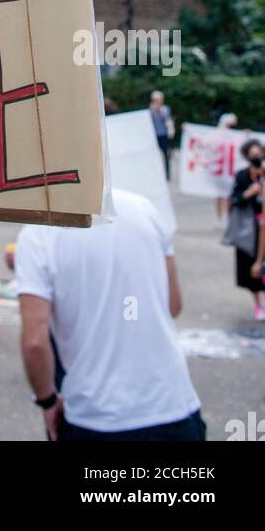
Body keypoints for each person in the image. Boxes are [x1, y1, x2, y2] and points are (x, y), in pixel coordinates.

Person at [16, 188, 204, 442]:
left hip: (94, 416)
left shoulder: (38, 232)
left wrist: (47, 401)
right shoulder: (144, 208)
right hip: (172, 405)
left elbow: (34, 343)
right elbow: (174, 304)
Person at [230, 139, 264, 320]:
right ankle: (257, 303)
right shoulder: (242, 176)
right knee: (251, 267)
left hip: (262, 228)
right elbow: (234, 199)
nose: (256, 158)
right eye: (253, 155)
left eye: (259, 154)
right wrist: (248, 193)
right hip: (248, 230)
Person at [148, 90, 175, 179]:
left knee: (166, 154)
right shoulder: (150, 109)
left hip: (163, 134)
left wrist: (158, 110)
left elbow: (167, 118)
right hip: (154, 135)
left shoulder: (165, 109)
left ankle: (167, 175)